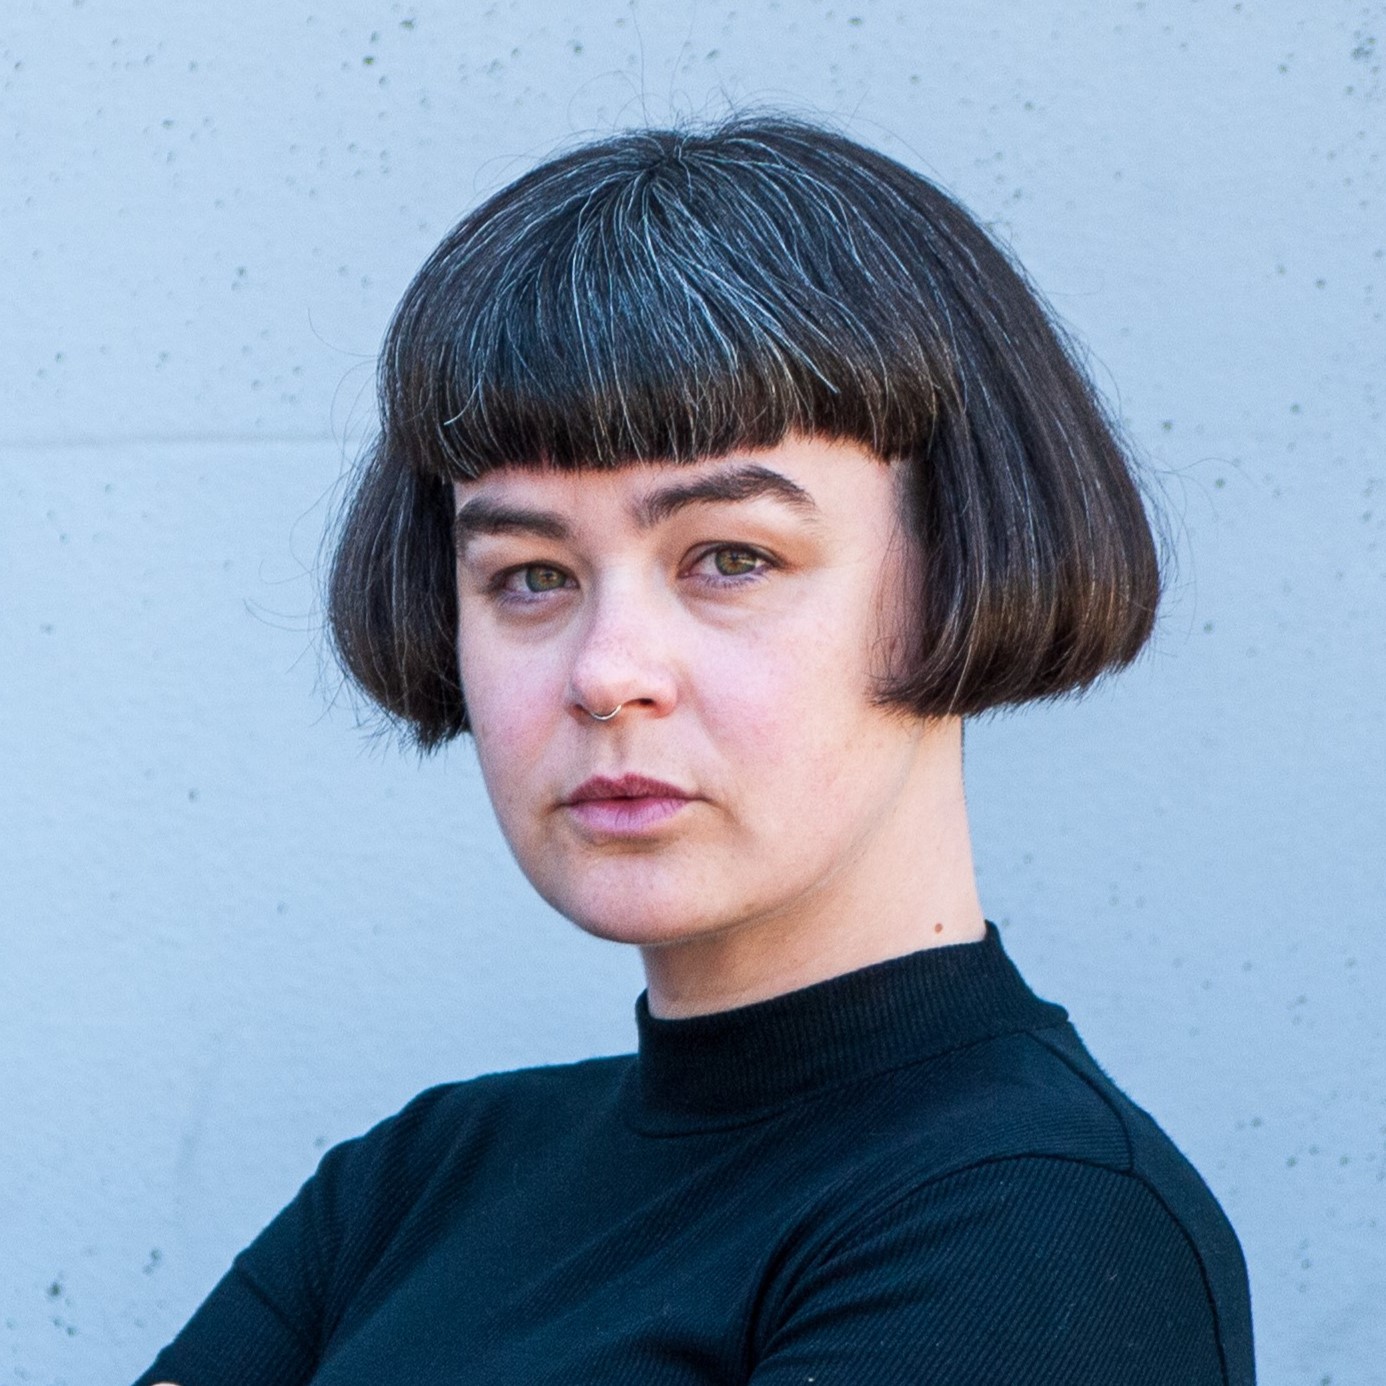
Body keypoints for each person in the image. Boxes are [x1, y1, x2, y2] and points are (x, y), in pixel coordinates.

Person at [133, 116, 1255, 1385]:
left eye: (732, 558)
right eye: (532, 575)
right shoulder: (412, 1186)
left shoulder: (1032, 1225)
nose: (608, 672)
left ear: (962, 571)